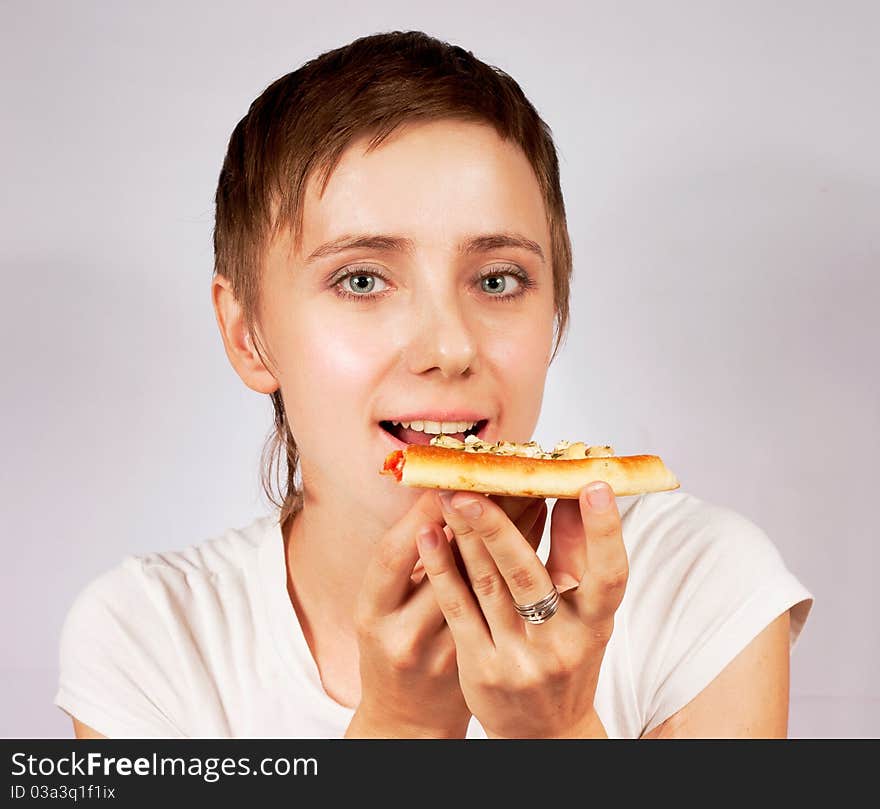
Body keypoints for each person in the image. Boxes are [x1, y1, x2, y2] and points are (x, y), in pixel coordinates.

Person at [54, 30, 813, 739]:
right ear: (247, 333)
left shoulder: (706, 585)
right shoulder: (149, 637)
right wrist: (403, 729)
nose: (450, 347)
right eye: (361, 279)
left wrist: (560, 734)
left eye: (497, 278)